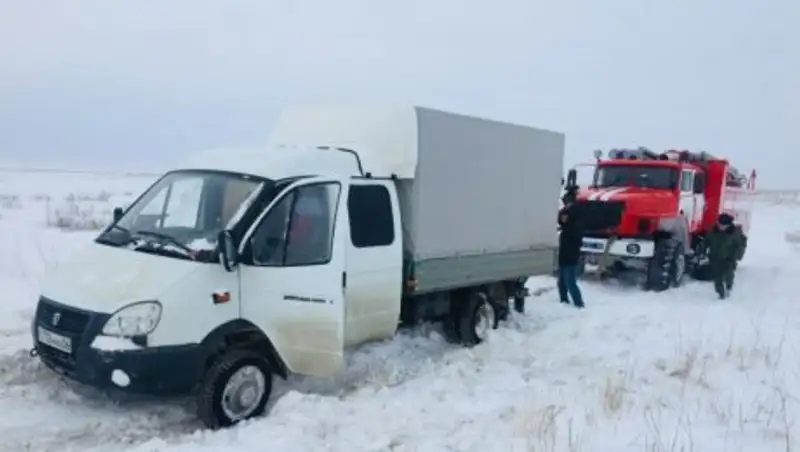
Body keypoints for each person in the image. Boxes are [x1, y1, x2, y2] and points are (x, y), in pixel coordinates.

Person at [706, 212, 746, 299]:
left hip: (729, 258)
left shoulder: (735, 234)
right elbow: (707, 241)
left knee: (728, 274)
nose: (721, 227)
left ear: (728, 225)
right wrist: (702, 249)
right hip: (715, 257)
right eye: (720, 224)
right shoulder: (713, 231)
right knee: (717, 277)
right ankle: (720, 292)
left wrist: (737, 256)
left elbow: (741, 246)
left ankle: (729, 286)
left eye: (723, 225)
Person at [557, 192, 585, 308]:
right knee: (561, 282)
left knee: (570, 281)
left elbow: (576, 243)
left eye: (565, 217)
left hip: (571, 257)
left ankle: (578, 303)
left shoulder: (574, 227)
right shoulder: (566, 228)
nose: (563, 219)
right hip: (563, 256)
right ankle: (563, 300)